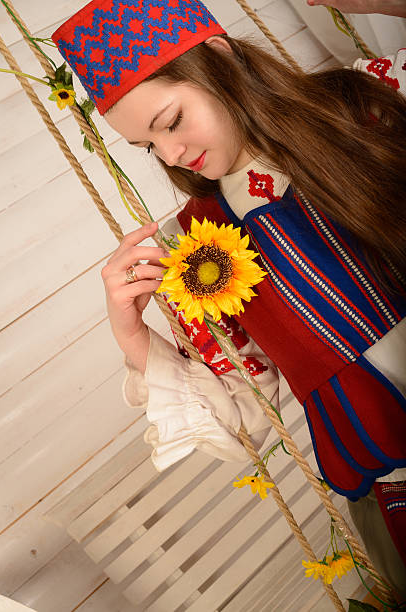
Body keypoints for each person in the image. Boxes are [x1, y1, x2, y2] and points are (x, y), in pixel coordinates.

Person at [52, 0, 406, 597]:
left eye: (171, 120)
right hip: (387, 476)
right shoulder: (196, 249)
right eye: (147, 145)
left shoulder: (360, 104)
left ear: (218, 56)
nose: (169, 155)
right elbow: (240, 414)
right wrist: (131, 333)